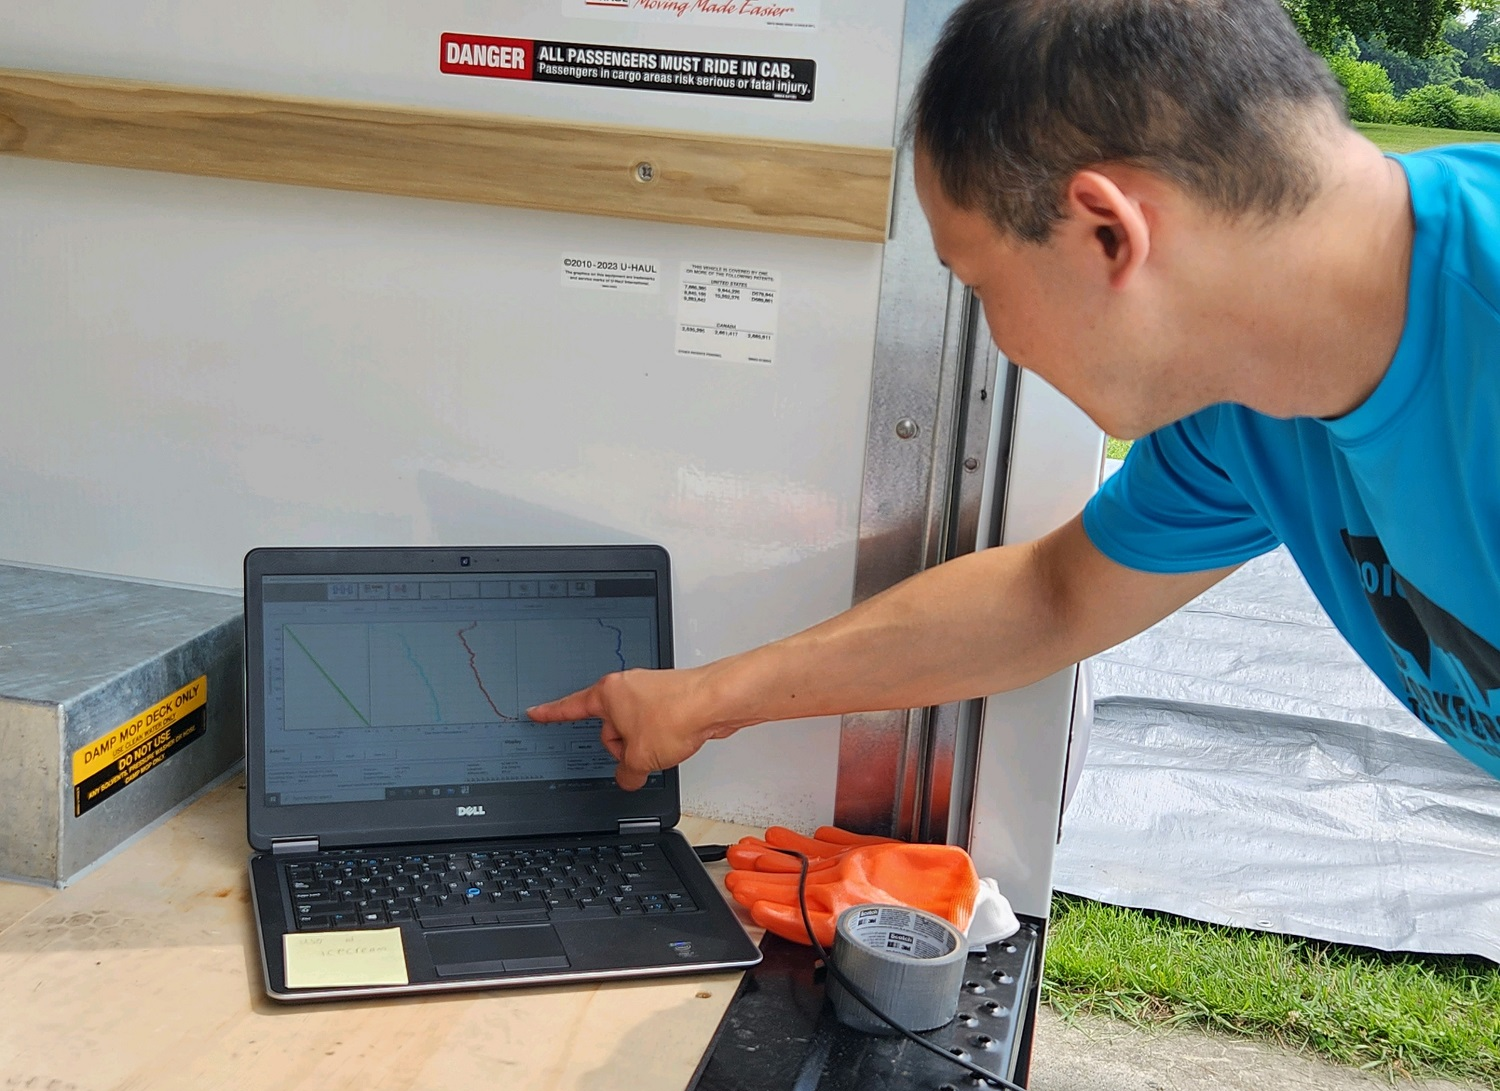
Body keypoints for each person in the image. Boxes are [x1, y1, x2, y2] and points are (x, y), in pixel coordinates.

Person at [531, 0, 1500, 792]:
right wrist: (702, 698)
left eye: (981, 284)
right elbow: (1052, 599)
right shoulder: (1240, 403)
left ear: (1108, 233)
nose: (1005, 343)